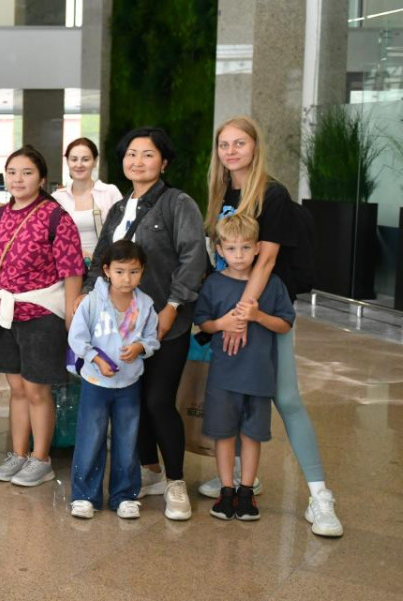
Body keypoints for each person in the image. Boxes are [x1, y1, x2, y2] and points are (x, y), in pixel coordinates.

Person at [200, 115, 342, 536]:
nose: (231, 151)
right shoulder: (222, 191)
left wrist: (243, 315)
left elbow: (266, 261)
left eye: (239, 143)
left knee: (286, 397)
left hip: (264, 309)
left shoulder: (271, 193)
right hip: (232, 309)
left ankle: (320, 497)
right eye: (224, 144)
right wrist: (226, 316)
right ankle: (241, 478)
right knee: (235, 393)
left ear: (255, 147)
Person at [81, 126, 208, 521]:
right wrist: (87, 298)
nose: (137, 161)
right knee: (133, 399)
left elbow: (194, 257)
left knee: (157, 400)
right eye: (131, 154)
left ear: (164, 162)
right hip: (119, 327)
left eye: (148, 154)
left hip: (166, 323)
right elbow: (101, 258)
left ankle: (176, 482)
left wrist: (172, 306)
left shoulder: (177, 203)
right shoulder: (120, 208)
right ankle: (149, 470)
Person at [0, 146, 84, 485]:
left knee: (36, 389)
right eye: (12, 172)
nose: (18, 179)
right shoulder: (0, 216)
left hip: (42, 313)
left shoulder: (56, 216)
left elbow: (72, 270)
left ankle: (41, 459)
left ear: (41, 178)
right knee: (16, 388)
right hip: (6, 313)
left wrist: (71, 318)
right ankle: (18, 453)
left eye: (27, 172)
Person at [195, 213, 294, 522]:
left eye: (245, 248)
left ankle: (246, 491)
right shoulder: (213, 284)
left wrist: (258, 316)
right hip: (223, 377)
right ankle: (227, 490)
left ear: (257, 249)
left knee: (252, 435)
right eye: (231, 248)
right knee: (223, 434)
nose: (238, 255)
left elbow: (285, 324)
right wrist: (221, 323)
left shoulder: (272, 284)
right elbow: (203, 322)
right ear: (220, 250)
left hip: (258, 376)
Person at [67, 240, 160, 520]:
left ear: (142, 271)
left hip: (129, 384)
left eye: (134, 272)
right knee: (90, 437)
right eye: (119, 271)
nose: (126, 279)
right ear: (106, 270)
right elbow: (77, 338)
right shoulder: (92, 302)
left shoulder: (145, 305)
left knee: (127, 439)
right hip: (95, 384)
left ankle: (125, 495)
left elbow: (152, 338)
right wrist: (96, 359)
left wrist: (140, 347)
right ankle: (84, 496)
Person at [51, 138, 124, 263]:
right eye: (74, 159)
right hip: (66, 265)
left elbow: (122, 232)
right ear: (67, 162)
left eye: (85, 159)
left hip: (104, 265)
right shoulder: (57, 198)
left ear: (95, 161)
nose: (79, 165)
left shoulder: (109, 192)